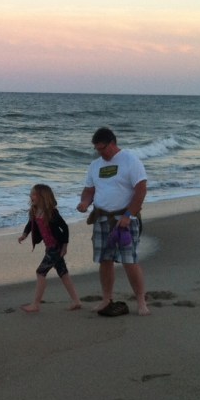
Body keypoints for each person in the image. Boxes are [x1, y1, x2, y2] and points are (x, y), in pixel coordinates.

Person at [76, 128, 150, 315]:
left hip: (125, 219)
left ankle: (141, 301)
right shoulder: (94, 165)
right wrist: (84, 202)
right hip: (102, 218)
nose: (101, 153)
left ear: (112, 143)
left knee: (129, 260)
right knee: (105, 260)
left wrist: (128, 215)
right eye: (97, 150)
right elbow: (89, 190)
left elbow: (141, 190)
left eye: (103, 149)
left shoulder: (130, 160)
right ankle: (106, 299)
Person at [17, 184, 83, 312]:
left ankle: (36, 304)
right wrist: (25, 235)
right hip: (49, 247)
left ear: (43, 197)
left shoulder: (51, 212)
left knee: (40, 272)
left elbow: (64, 227)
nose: (31, 196)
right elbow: (31, 224)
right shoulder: (35, 210)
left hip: (56, 247)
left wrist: (65, 245)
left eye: (34, 194)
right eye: (31, 194)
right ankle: (76, 301)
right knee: (63, 273)